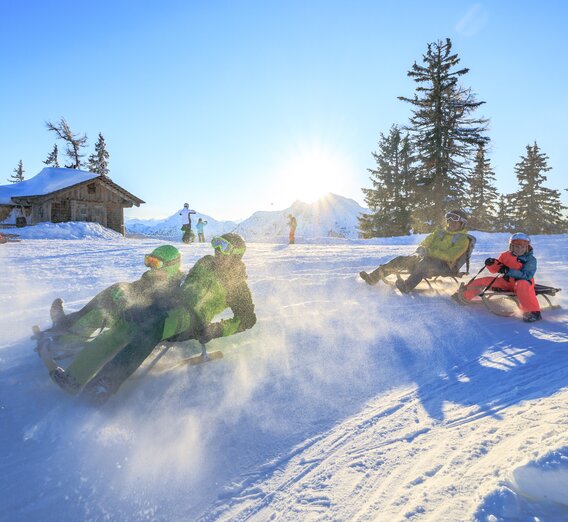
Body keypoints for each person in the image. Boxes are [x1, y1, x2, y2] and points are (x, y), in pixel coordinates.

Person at [40, 234, 256, 403]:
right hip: (170, 303)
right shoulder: (206, 262)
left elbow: (247, 319)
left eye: (224, 248)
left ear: (237, 254)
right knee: (126, 320)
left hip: (190, 320)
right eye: (217, 245)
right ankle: (74, 377)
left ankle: (104, 384)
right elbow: (185, 282)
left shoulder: (238, 287)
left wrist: (216, 330)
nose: (218, 252)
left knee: (152, 328)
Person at [359, 209, 473, 293]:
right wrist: (422, 247)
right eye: (449, 220)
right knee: (400, 260)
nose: (451, 223)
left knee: (424, 265)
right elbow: (426, 241)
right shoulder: (439, 232)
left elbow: (450, 256)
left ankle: (407, 286)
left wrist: (429, 252)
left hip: (444, 265)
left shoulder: (463, 239)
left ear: (462, 223)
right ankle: (373, 278)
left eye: (455, 221)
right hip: (426, 258)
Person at [455, 232, 542, 322]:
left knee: (522, 283)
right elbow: (496, 269)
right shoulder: (505, 255)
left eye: (522, 246)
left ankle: (533, 312)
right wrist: (492, 263)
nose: (519, 249)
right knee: (483, 281)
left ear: (527, 247)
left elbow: (527, 275)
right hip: (506, 282)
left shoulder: (530, 259)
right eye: (516, 246)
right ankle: (464, 296)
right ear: (511, 246)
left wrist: (508, 271)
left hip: (524, 284)